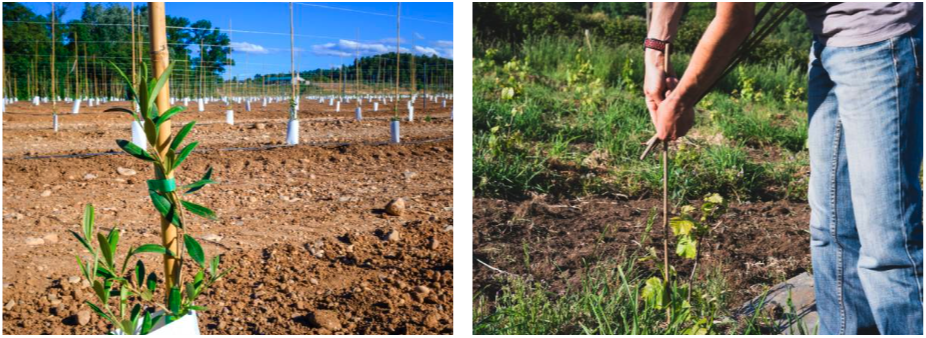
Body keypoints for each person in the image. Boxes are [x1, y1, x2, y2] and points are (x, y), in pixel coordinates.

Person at [644, 2, 922, 335]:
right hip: (828, 42)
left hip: (881, 38)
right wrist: (655, 52)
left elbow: (735, 18)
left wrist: (682, 99)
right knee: (832, 230)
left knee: (886, 243)